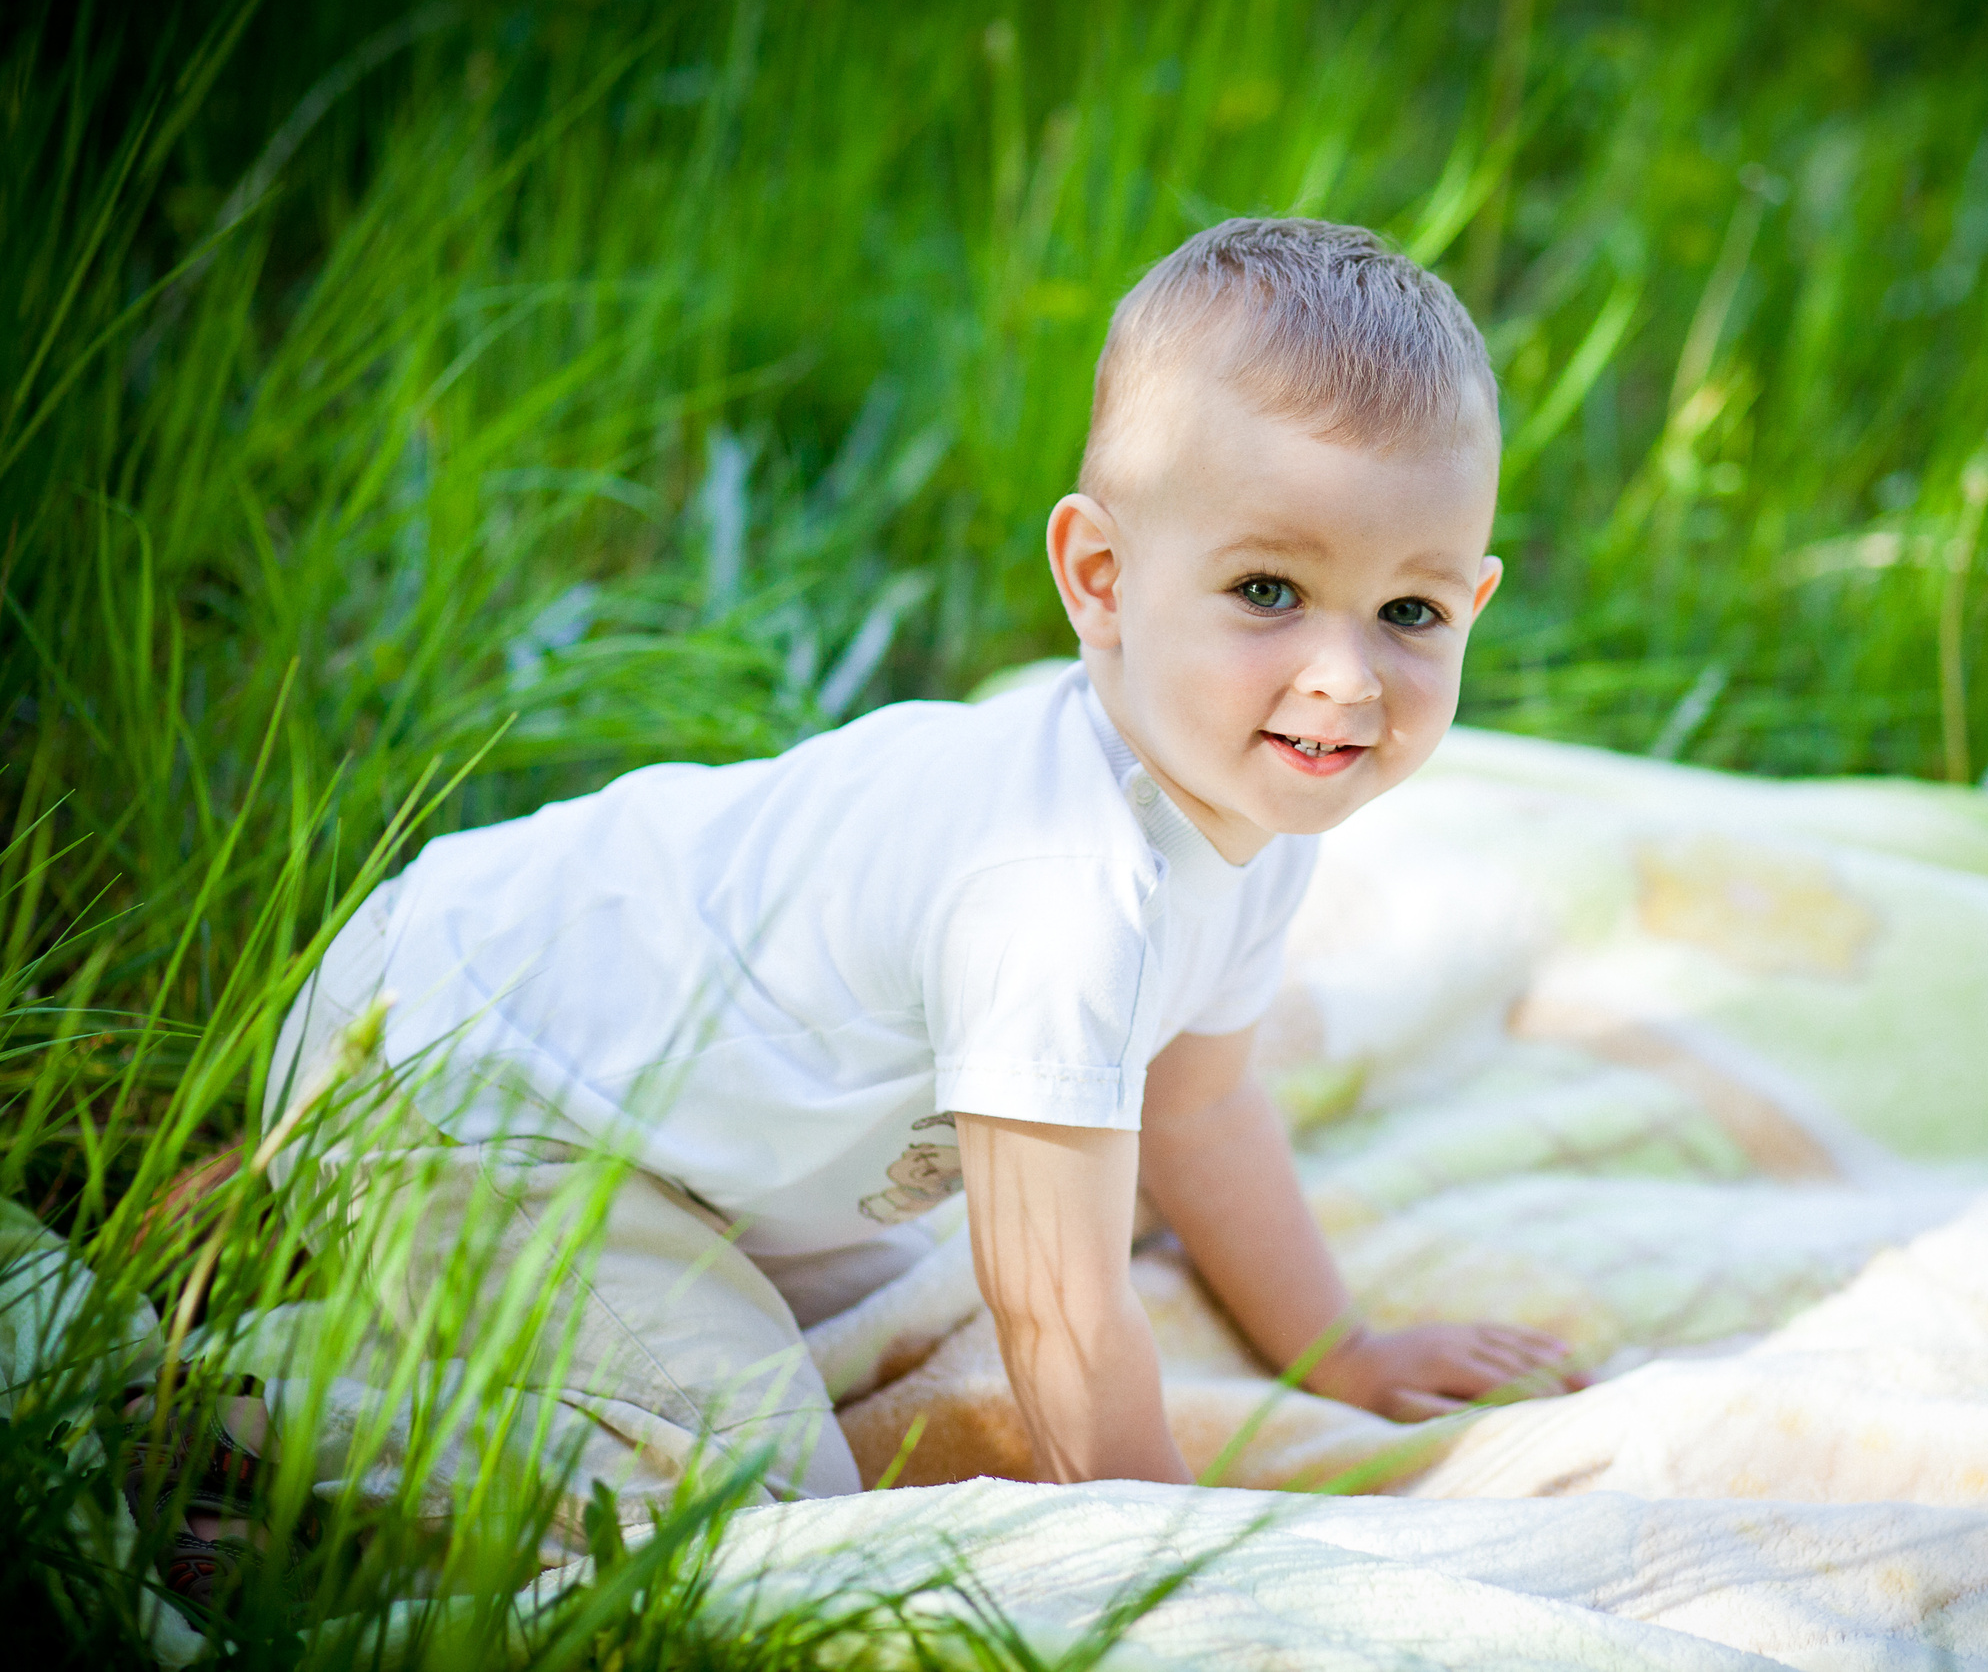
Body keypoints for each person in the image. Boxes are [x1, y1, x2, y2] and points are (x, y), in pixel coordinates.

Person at [161, 217, 1578, 1592]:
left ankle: (447, 1303)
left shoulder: (1257, 803)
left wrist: (1344, 1353)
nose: (1343, 679)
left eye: (1411, 613)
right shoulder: (1054, 891)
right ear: (1101, 578)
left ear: (1477, 600)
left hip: (633, 1104)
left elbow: (1195, 1106)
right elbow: (1060, 1312)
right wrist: (1178, 1574)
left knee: (933, 1279)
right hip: (452, 1085)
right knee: (759, 1501)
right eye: (1268, 590)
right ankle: (258, 1409)